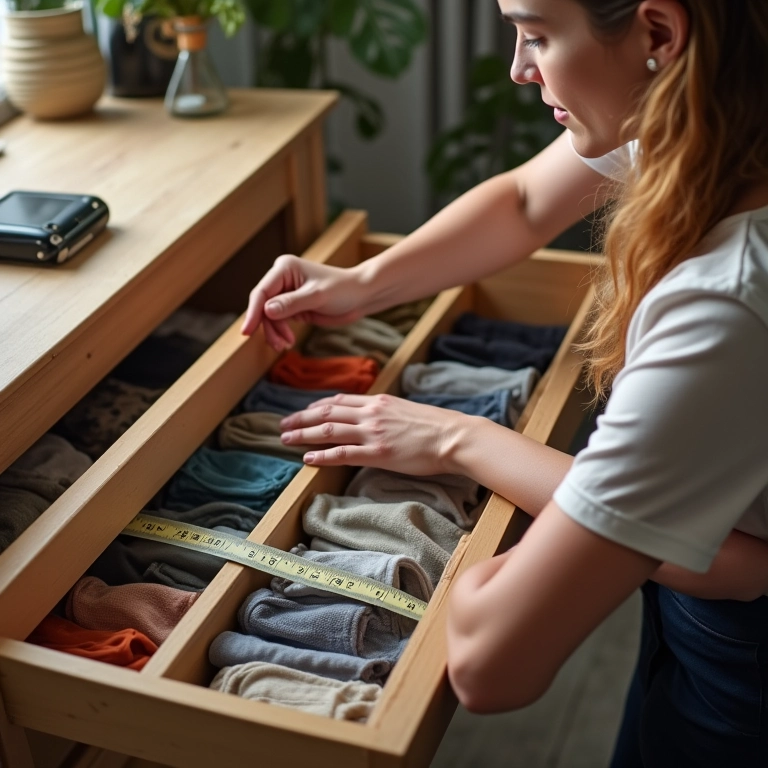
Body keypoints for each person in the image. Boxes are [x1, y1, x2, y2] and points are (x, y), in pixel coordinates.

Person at [241, 1, 768, 765]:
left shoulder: (724, 306)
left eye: (538, 34)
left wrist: (459, 439)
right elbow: (525, 201)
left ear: (658, 34)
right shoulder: (716, 121)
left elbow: (490, 663)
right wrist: (362, 283)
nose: (520, 68)